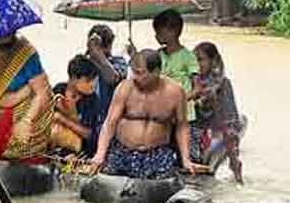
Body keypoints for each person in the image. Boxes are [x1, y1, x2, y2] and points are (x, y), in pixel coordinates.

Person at [90, 49, 206, 179]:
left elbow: (182, 126)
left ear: (156, 72)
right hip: (123, 152)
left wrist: (186, 159)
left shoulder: (175, 93)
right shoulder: (125, 88)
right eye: (134, 72)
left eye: (140, 73)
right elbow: (110, 123)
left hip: (158, 154)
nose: (135, 77)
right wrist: (100, 154)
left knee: (166, 190)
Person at [0, 34, 54, 162]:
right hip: (1, 112)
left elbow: (42, 92)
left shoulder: (26, 53)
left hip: (26, 111)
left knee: (24, 156)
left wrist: (26, 121)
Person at [189, 42, 245, 184]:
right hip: (192, 128)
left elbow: (226, 121)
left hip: (214, 127)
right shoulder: (189, 81)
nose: (196, 64)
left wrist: (233, 159)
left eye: (200, 60)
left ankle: (234, 166)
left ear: (213, 61)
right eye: (193, 60)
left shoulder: (222, 85)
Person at [82, 24, 129, 156]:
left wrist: (98, 55)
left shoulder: (119, 62)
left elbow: (113, 78)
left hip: (109, 122)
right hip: (87, 122)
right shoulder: (85, 62)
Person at [152, 10, 197, 121]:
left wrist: (180, 100)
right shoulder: (158, 55)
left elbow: (197, 89)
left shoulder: (187, 56)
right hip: (163, 113)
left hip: (183, 114)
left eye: (159, 32)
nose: (156, 36)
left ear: (173, 31)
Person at [50, 55, 99, 154]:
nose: (92, 85)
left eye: (94, 81)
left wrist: (63, 119)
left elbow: (90, 135)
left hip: (79, 154)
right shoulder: (58, 91)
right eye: (88, 81)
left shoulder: (92, 100)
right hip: (53, 151)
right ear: (73, 78)